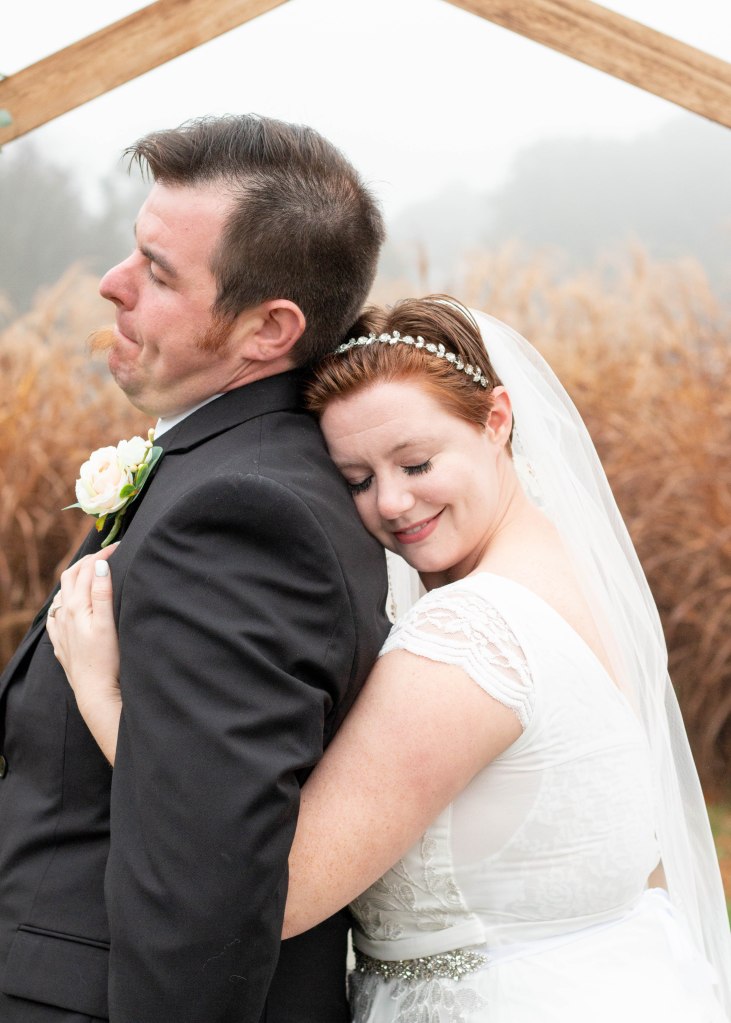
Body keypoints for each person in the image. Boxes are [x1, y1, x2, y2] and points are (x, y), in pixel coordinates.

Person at [50, 297, 731, 1021]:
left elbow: (272, 887)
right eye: (358, 479)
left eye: (416, 462)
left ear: (496, 420)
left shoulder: (470, 634)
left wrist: (103, 698)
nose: (393, 502)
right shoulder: (570, 575)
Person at [0, 114, 391, 1023]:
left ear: (267, 329)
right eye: (132, 250)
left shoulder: (244, 515)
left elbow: (203, 890)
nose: (112, 282)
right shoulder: (219, 467)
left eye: (158, 271)